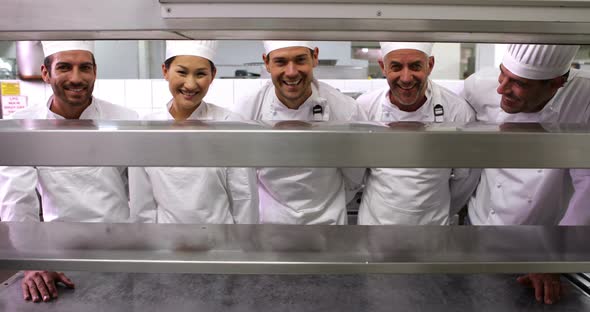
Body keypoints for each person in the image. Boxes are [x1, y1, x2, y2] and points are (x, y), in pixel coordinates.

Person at [0, 41, 138, 302]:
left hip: (121, 249)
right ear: (45, 72)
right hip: (58, 257)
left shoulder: (125, 120)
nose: (76, 78)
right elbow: (17, 202)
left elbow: (140, 192)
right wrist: (32, 260)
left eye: (84, 68)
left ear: (95, 72)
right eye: (64, 67)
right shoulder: (21, 126)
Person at [462, 43, 590, 304]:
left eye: (519, 82)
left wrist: (553, 258)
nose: (501, 88)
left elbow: (588, 186)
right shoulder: (479, 85)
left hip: (539, 248)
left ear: (556, 83)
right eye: (502, 73)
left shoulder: (584, 100)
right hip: (477, 235)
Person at [236, 41, 367, 225]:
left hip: (328, 226)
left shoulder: (345, 109)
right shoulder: (249, 108)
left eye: (300, 60)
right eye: (281, 62)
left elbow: (354, 176)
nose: (291, 72)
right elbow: (244, 177)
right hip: (269, 227)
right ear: (267, 63)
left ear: (315, 57)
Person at [129, 40, 259, 224]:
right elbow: (142, 205)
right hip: (167, 244)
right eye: (182, 72)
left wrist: (244, 246)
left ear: (213, 75)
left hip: (220, 244)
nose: (190, 85)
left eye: (200, 74)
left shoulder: (230, 124)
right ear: (165, 71)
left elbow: (244, 197)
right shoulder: (146, 129)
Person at [356, 42, 476, 225]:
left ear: (430, 65)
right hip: (376, 226)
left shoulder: (457, 110)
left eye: (415, 66)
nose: (406, 78)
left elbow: (465, 179)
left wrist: (439, 209)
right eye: (396, 66)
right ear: (383, 67)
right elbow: (356, 173)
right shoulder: (365, 107)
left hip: (434, 228)